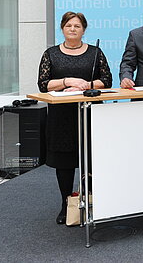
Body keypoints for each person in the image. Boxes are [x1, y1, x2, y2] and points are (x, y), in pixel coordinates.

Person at [37, 12, 112, 224]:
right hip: (62, 117)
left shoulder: (95, 53)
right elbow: (43, 84)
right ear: (62, 28)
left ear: (83, 29)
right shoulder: (50, 54)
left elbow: (106, 80)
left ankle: (91, 202)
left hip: (90, 113)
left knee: (91, 160)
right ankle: (66, 204)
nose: (72, 29)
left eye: (77, 26)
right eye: (69, 25)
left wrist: (86, 84)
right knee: (65, 162)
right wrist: (67, 81)